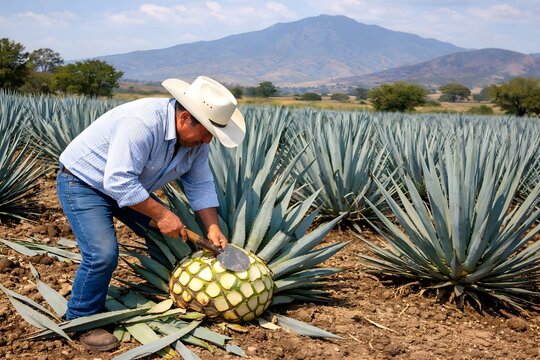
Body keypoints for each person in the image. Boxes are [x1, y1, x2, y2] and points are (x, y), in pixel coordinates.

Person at [56, 76, 246, 351]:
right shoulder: (143, 122)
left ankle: (167, 291)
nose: (208, 141)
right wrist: (163, 214)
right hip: (84, 182)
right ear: (184, 118)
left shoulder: (197, 144)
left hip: (131, 189)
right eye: (206, 132)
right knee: (102, 254)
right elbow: (118, 181)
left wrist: (212, 227)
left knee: (167, 238)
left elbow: (200, 184)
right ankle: (82, 319)